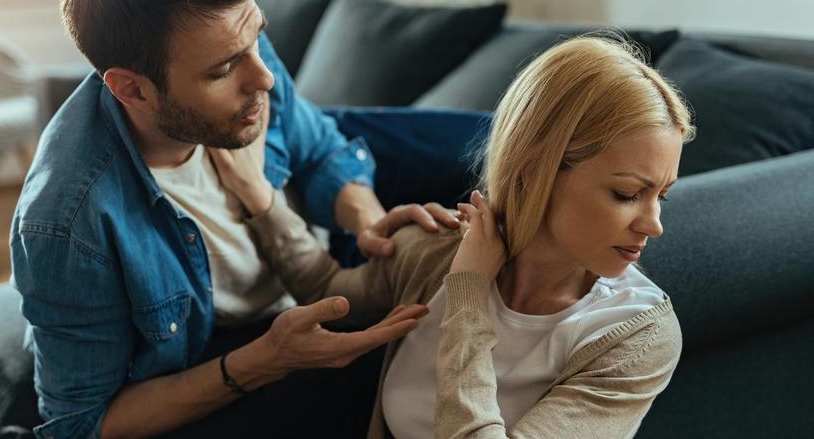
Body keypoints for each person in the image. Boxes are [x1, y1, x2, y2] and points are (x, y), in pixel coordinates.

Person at [10, 0, 461, 438]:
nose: (263, 76)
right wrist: (261, 362)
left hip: (311, 267)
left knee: (505, 141)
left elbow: (320, 150)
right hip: (236, 351)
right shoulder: (68, 224)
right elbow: (79, 424)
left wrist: (368, 224)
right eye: (222, 70)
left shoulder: (245, 55)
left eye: (257, 40)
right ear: (132, 90)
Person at [213, 35, 696, 438]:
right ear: (534, 173)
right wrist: (262, 201)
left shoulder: (634, 336)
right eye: (628, 193)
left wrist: (468, 298)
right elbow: (328, 292)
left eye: (661, 195)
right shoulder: (442, 247)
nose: (653, 224)